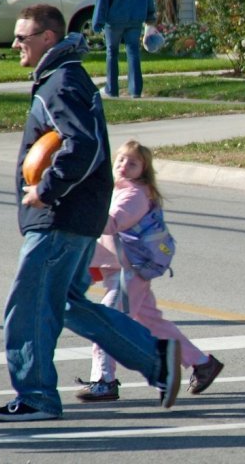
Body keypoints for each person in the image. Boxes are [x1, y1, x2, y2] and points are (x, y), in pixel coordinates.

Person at [0, 4, 181, 422]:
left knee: (28, 306)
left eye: (22, 38)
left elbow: (85, 146)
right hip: (76, 218)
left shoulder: (59, 83)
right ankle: (157, 358)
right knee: (68, 304)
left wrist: (46, 189)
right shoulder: (65, 77)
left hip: (60, 218)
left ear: (47, 39)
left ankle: (37, 396)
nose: (14, 44)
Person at [76, 140, 224, 402]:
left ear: (143, 169)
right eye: (121, 160)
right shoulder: (122, 189)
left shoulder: (134, 195)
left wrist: (83, 204)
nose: (124, 165)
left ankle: (104, 381)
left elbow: (111, 224)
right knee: (154, 325)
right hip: (128, 270)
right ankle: (202, 363)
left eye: (132, 163)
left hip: (129, 272)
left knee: (106, 324)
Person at [92, 0, 157, 98]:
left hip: (114, 21)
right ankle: (135, 90)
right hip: (135, 20)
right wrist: (150, 17)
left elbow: (102, 0)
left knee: (111, 53)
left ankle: (111, 89)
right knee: (133, 52)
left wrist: (97, 22)